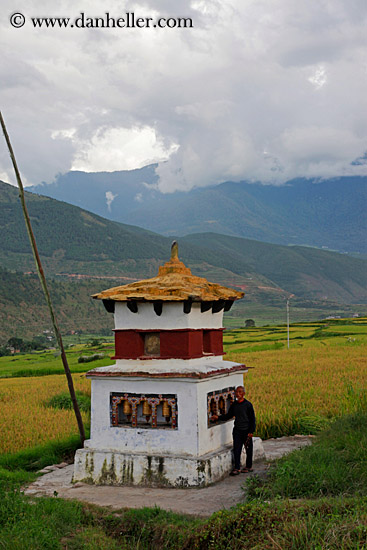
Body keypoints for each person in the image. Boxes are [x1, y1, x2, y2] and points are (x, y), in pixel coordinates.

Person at [211, 386, 255, 476]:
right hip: (237, 431)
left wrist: (251, 432)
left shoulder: (248, 405)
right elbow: (228, 416)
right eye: (236, 392)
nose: (238, 394)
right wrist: (218, 418)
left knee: (248, 449)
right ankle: (237, 468)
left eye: (240, 392)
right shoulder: (234, 405)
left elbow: (252, 420)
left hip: (246, 430)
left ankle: (249, 466)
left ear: (243, 394)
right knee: (237, 449)